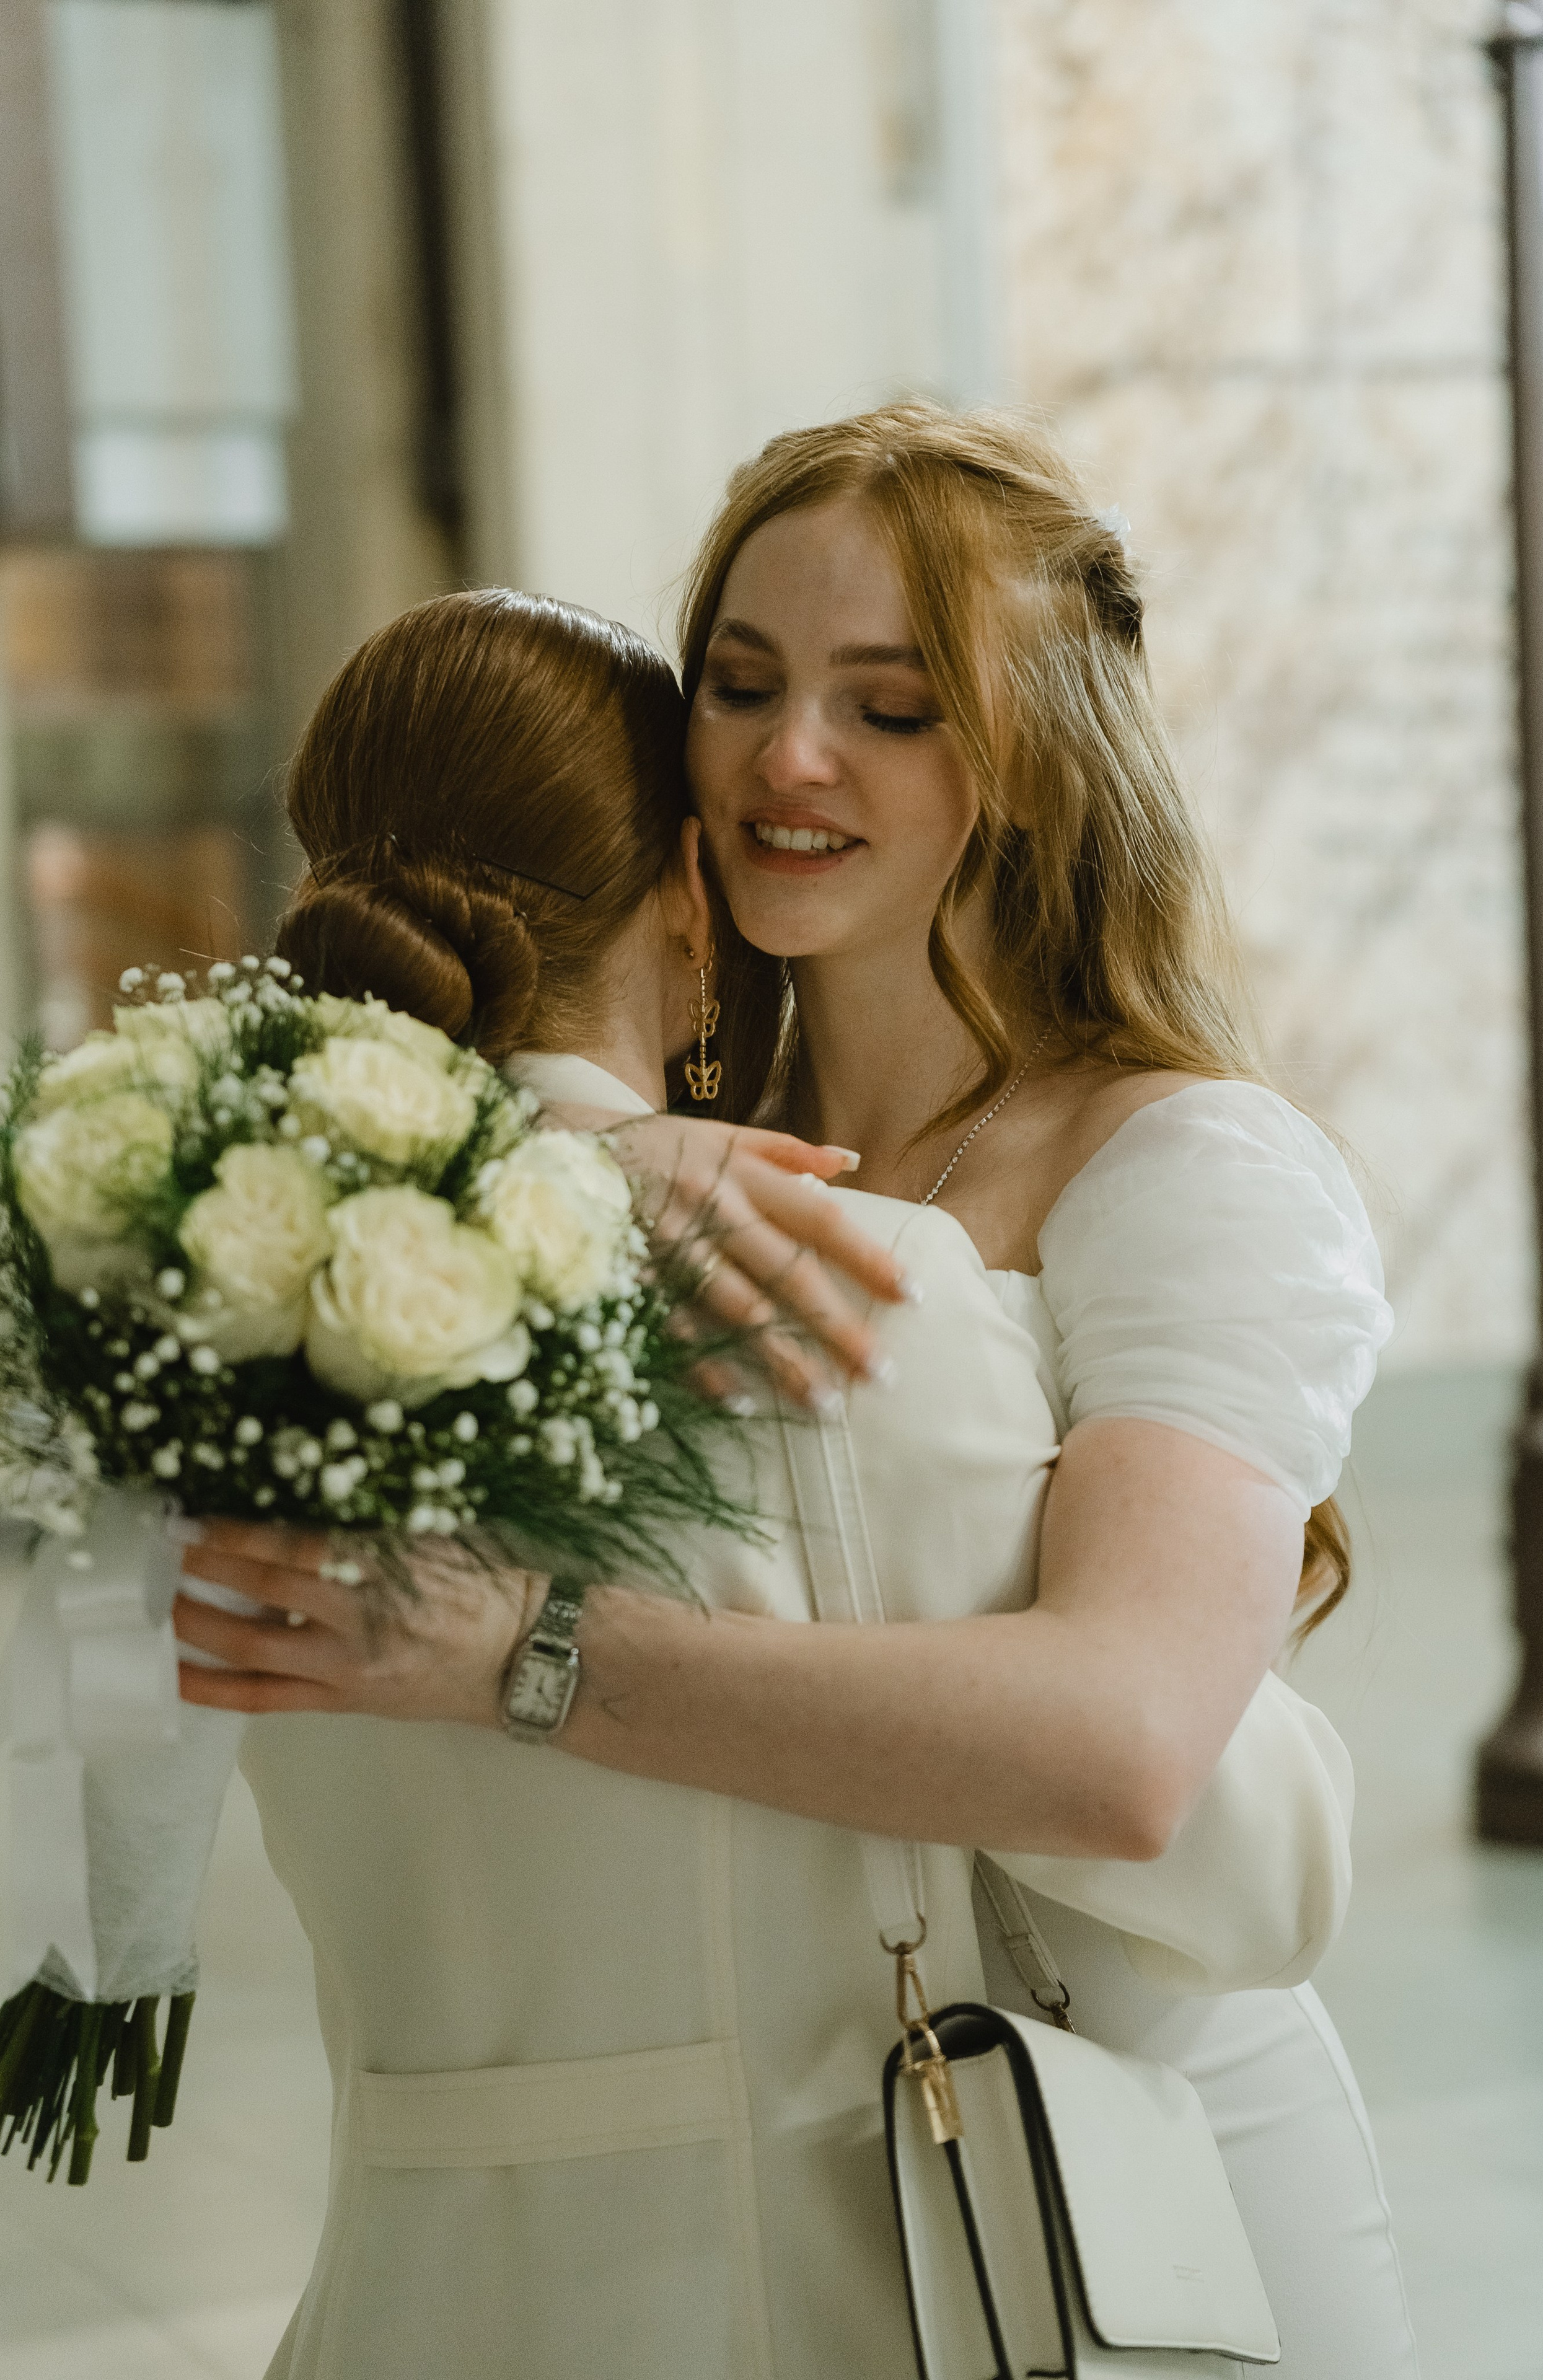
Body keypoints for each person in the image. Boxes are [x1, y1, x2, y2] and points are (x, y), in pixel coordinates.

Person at [179, 399, 1413, 2380]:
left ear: (1035, 762)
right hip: (806, 2208)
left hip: (1123, 2174)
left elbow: (1128, 1748)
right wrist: (565, 1151)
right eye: (742, 686)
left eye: (890, 708)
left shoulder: (1181, 1167)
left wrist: (528, 1649)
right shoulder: (661, 1160)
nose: (789, 759)